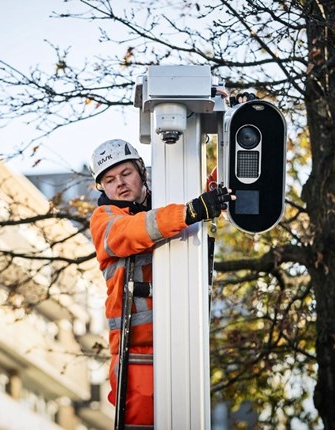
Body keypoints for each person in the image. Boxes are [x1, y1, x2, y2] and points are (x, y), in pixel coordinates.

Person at [88, 139, 233, 426]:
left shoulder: (171, 199)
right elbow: (134, 230)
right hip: (137, 355)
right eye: (109, 179)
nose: (120, 184)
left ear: (141, 171)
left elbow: (213, 190)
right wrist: (190, 212)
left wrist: (233, 131)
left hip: (184, 342)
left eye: (126, 173)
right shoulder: (104, 219)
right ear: (102, 187)